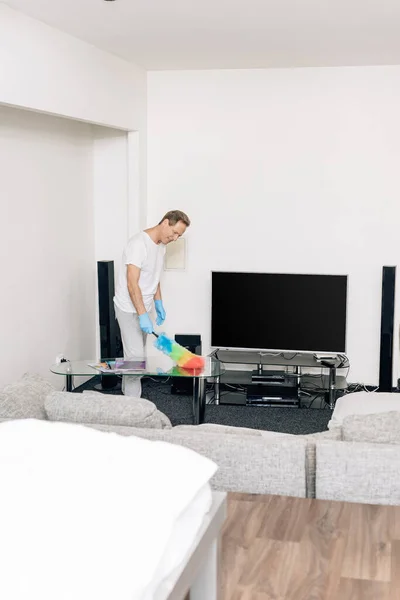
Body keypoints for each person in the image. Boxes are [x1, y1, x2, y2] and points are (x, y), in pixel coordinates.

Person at [113, 210, 191, 397]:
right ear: (165, 222)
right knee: (136, 361)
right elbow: (132, 283)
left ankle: (125, 396)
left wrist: (158, 303)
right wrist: (141, 315)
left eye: (179, 236)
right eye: (174, 233)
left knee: (134, 357)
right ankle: (134, 408)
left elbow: (154, 278)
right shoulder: (138, 244)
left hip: (144, 307)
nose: (174, 238)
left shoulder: (160, 245)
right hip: (128, 307)